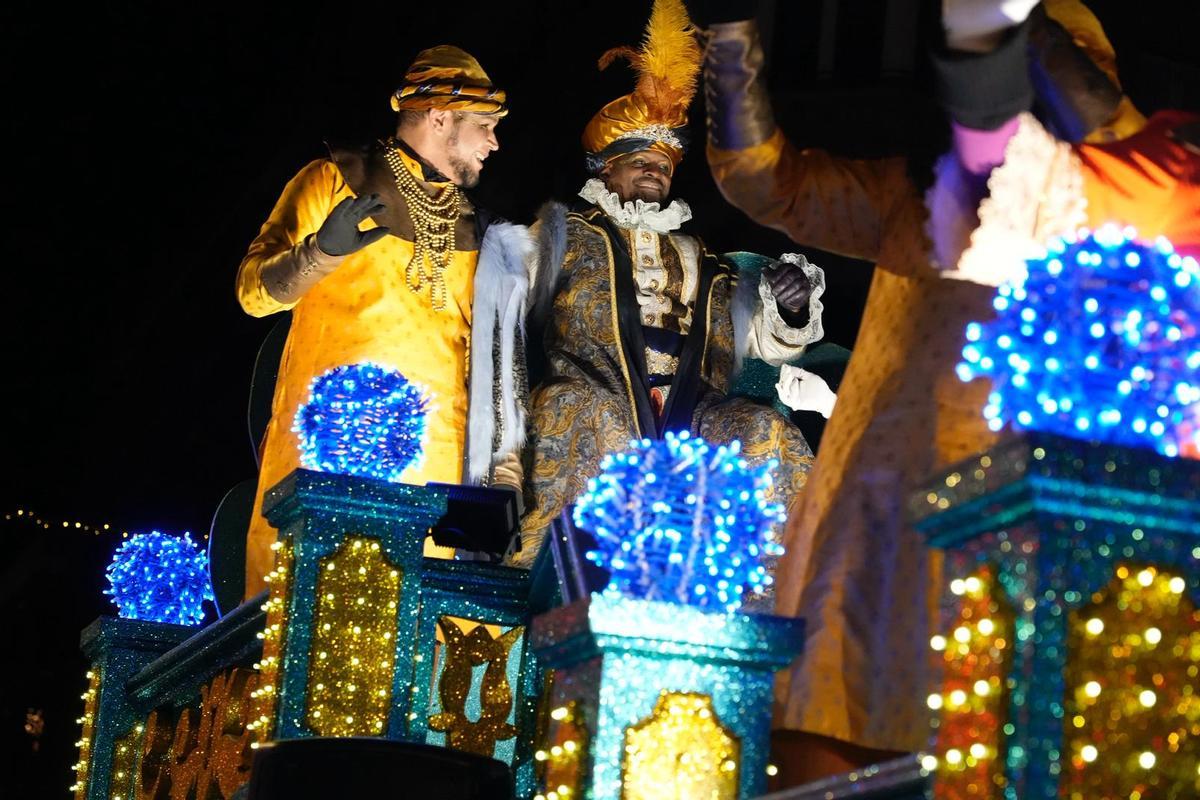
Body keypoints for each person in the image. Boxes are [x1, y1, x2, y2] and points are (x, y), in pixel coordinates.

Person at [693, 0, 1149, 784]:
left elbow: (1123, 138)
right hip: (879, 511)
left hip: (1019, 523)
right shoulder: (917, 193)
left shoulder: (1123, 216)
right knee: (832, 726)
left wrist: (1016, 23)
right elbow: (768, 181)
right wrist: (731, 41)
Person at [515, 0, 824, 569]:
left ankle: (774, 593)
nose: (655, 171)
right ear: (604, 168)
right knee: (588, 414)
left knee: (762, 430)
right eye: (639, 159)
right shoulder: (560, 234)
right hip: (598, 394)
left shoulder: (702, 258)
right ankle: (567, 579)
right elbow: (498, 297)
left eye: (662, 164)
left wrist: (792, 305)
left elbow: (772, 342)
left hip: (694, 411)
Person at [236, 46, 530, 599]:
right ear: (439, 117)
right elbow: (253, 295)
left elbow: (492, 372)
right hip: (327, 452)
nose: (494, 143)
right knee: (307, 610)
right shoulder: (333, 179)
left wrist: (501, 470)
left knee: (415, 630)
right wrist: (320, 253)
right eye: (485, 126)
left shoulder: (481, 231)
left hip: (433, 482)